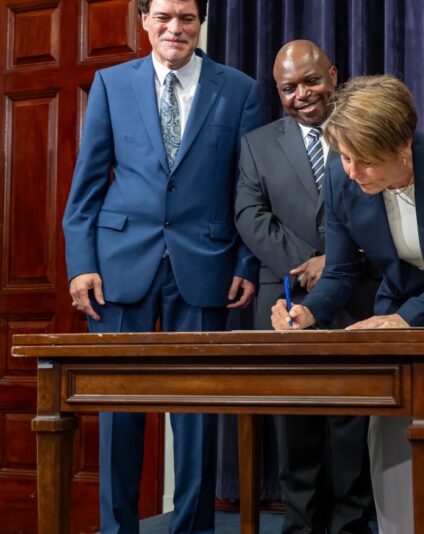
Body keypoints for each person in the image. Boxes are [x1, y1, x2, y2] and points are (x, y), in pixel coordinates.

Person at [270, 75, 424, 534]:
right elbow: (343, 270)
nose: (351, 171)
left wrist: (406, 319)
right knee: (387, 428)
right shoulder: (340, 175)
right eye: (345, 157)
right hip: (404, 311)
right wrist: (309, 312)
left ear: (403, 146)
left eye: (364, 161)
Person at [60, 0, 260, 531]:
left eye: (188, 19)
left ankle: (192, 527)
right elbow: (87, 184)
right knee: (118, 411)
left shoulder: (239, 89)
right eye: (165, 17)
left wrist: (246, 261)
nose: (176, 29)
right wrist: (81, 264)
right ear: (144, 20)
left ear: (202, 24)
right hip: (120, 266)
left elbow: (249, 189)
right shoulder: (110, 83)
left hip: (207, 265)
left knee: (196, 413)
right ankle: (117, 527)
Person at [234, 40, 375, 534]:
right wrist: (306, 263)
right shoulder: (256, 143)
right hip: (285, 300)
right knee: (294, 428)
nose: (302, 95)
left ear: (333, 76)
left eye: (311, 81)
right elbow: (250, 216)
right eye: (288, 88)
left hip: (357, 297)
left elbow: (385, 205)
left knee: (352, 427)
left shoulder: (365, 132)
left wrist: (333, 261)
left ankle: (352, 526)